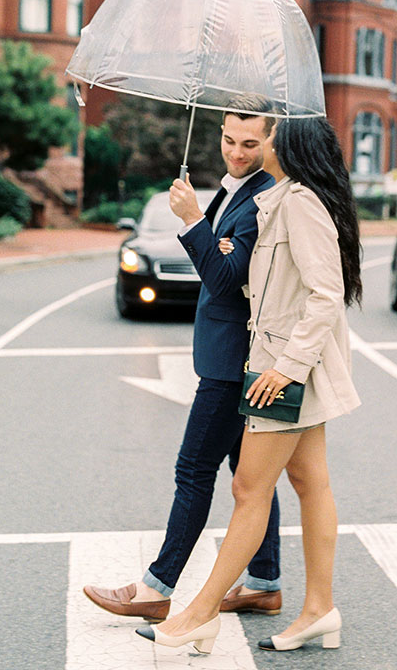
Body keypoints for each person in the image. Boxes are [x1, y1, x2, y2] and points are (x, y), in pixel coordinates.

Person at [136, 115, 362, 654]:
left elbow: (326, 295)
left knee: (248, 490)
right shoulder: (281, 198)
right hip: (281, 363)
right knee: (310, 484)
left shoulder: (300, 202)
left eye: (272, 135)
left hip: (285, 369)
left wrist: (286, 368)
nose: (263, 142)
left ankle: (199, 612)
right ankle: (319, 609)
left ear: (291, 145)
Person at [83, 94, 284, 621]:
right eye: (228, 139)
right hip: (234, 355)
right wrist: (209, 232)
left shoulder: (263, 198)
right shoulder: (236, 188)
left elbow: (223, 280)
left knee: (193, 469)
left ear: (270, 140)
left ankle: (156, 588)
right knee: (251, 472)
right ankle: (264, 580)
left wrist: (194, 220)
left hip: (232, 362)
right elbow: (221, 265)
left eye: (249, 143)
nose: (236, 153)